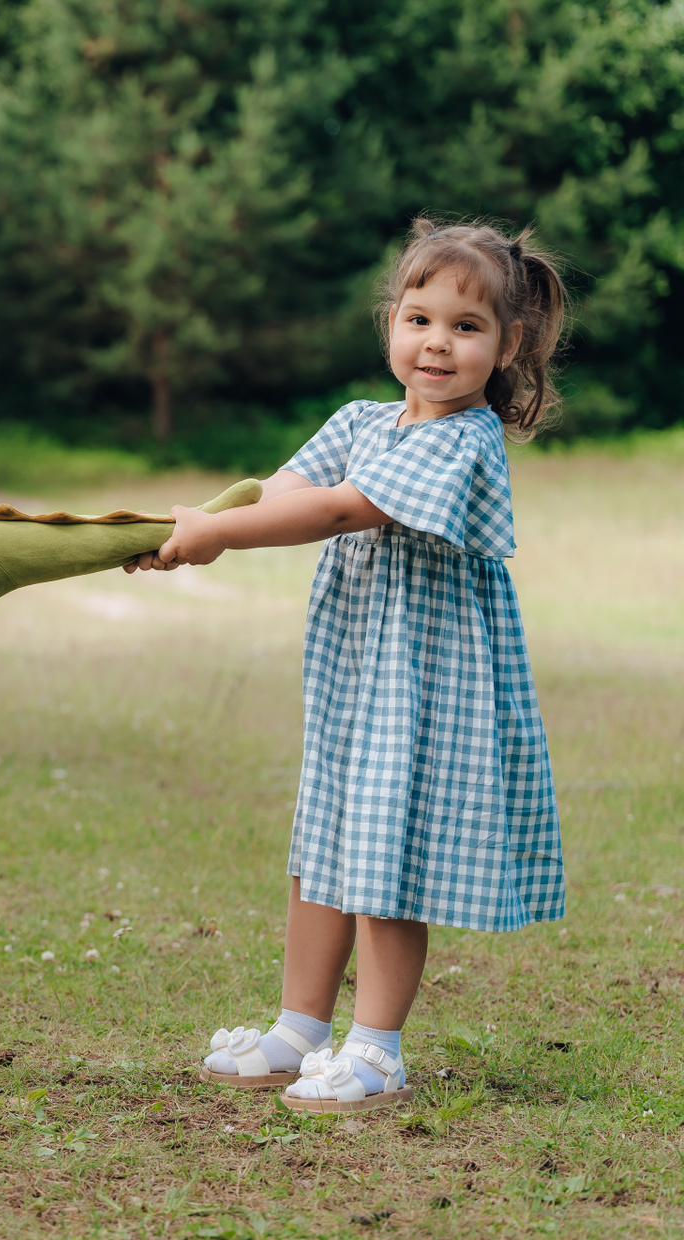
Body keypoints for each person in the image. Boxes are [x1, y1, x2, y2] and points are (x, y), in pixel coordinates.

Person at [127, 218, 568, 1112]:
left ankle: (376, 1050)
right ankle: (300, 1029)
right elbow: (280, 491)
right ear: (391, 323)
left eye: (466, 326)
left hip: (427, 685)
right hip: (356, 674)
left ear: (508, 344)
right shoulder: (363, 421)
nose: (437, 342)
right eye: (419, 318)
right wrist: (181, 530)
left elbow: (339, 510)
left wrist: (218, 536)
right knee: (324, 840)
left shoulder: (464, 439)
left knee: (387, 853)